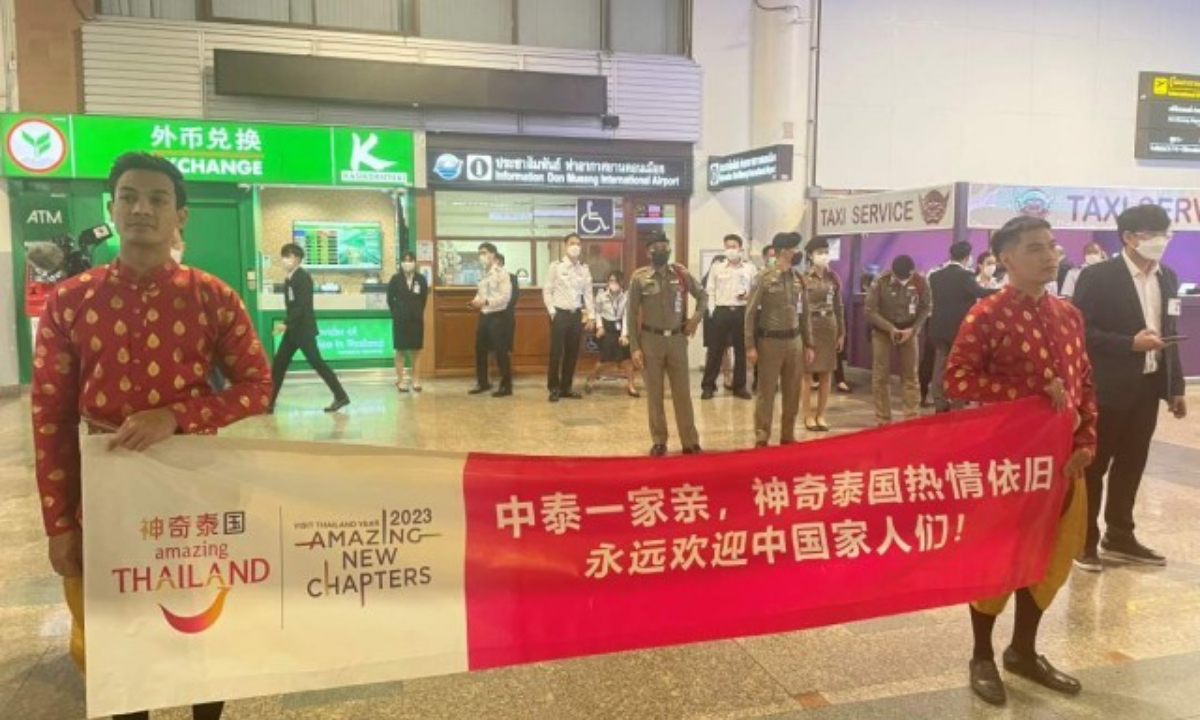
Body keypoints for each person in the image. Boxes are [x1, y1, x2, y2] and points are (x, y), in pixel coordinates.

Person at [31, 152, 273, 720]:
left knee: (203, 623)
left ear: (179, 216)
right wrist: (59, 523)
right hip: (106, 490)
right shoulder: (72, 301)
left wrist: (179, 415)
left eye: (157, 199)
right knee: (122, 631)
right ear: (112, 209)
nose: (142, 208)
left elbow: (258, 385)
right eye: (130, 197)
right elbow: (49, 415)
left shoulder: (212, 297)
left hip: (193, 491)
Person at [945, 215, 1097, 707]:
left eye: (1052, 246)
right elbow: (958, 380)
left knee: (1049, 556)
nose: (1050, 255)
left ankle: (1024, 651)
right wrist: (1029, 394)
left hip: (1064, 464)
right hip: (1007, 463)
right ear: (1007, 258)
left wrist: (1087, 438)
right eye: (1036, 248)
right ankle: (982, 655)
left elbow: (1085, 383)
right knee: (997, 558)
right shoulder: (986, 314)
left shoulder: (1069, 314)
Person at [1072, 205, 1187, 571]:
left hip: (1147, 387)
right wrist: (1128, 343)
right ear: (1129, 238)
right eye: (1152, 235)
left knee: (1132, 465)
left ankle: (1120, 535)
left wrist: (1175, 387)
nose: (1160, 242)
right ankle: (1083, 540)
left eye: (1164, 235)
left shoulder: (1167, 277)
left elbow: (1170, 334)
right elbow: (1082, 333)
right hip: (1106, 389)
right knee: (1095, 467)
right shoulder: (1099, 276)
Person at [627, 229, 707, 456]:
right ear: (648, 252)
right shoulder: (639, 278)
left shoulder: (680, 274)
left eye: (665, 246)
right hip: (650, 341)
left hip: (677, 341)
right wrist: (634, 347)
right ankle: (659, 440)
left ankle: (690, 441)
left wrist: (695, 319)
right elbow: (631, 314)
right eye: (657, 248)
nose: (662, 251)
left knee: (682, 394)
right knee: (655, 394)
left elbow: (703, 296)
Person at [744, 232, 813, 447]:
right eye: (794, 248)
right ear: (784, 251)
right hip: (770, 342)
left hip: (794, 342)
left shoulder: (798, 279)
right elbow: (750, 313)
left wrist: (809, 343)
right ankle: (762, 434)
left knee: (792, 392)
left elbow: (805, 314)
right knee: (766, 391)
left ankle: (787, 434)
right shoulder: (764, 277)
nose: (797, 252)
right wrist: (750, 346)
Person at [268, 244, 350, 413]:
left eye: (288, 256)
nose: (285, 260)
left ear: (297, 258)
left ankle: (341, 396)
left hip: (303, 330)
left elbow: (301, 306)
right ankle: (269, 402)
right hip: (293, 331)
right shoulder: (290, 277)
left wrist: (286, 323)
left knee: (317, 363)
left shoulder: (303, 277)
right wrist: (289, 324)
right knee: (279, 364)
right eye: (283, 256)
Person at [929, 241, 997, 413]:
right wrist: (1002, 291)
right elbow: (980, 293)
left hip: (938, 327)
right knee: (960, 367)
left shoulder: (935, 276)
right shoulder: (965, 276)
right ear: (968, 257)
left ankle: (939, 402)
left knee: (939, 366)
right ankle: (957, 404)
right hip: (959, 329)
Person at [865, 254, 931, 424]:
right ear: (892, 272)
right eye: (899, 278)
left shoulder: (920, 281)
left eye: (906, 277)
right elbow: (870, 310)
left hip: (909, 330)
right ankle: (883, 419)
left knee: (911, 375)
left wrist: (914, 329)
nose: (903, 281)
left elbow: (926, 307)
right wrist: (890, 328)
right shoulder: (880, 281)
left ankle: (911, 417)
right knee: (881, 376)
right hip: (883, 331)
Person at [701, 234, 757, 400]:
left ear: (740, 248)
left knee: (741, 351)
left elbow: (755, 291)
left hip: (742, 311)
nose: (730, 250)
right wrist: (712, 311)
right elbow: (710, 290)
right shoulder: (717, 267)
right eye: (727, 246)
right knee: (715, 350)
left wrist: (748, 297)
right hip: (721, 311)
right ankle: (708, 386)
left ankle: (740, 386)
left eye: (733, 246)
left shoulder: (749, 268)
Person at [542, 233, 596, 401]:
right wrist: (552, 311)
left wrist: (592, 316)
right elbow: (547, 290)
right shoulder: (556, 266)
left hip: (576, 316)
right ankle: (554, 388)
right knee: (556, 353)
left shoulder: (584, 268)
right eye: (572, 243)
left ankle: (566, 387)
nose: (575, 246)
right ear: (565, 246)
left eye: (578, 244)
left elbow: (588, 294)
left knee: (572, 353)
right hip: (560, 315)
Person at [799, 238, 844, 431]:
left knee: (827, 373)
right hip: (810, 325)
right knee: (807, 374)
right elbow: (799, 307)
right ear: (810, 255)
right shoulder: (802, 278)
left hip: (829, 326)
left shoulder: (833, 278)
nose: (823, 255)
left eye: (826, 251)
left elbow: (839, 307)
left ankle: (821, 414)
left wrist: (842, 333)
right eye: (819, 252)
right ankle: (807, 415)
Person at [469, 242, 513, 397]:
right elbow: (480, 293)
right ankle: (483, 382)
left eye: (484, 252)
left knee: (501, 352)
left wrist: (487, 302)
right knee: (480, 350)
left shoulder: (502, 273)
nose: (482, 256)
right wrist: (475, 301)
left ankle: (506, 386)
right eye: (480, 253)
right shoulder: (483, 274)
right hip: (484, 315)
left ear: (493, 255)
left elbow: (505, 298)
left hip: (498, 316)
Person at [586, 270, 639, 397]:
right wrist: (599, 327)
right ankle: (591, 378)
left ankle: (631, 385)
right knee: (606, 360)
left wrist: (624, 334)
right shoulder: (601, 296)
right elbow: (597, 312)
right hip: (606, 329)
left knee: (627, 360)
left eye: (616, 281)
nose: (613, 283)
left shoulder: (626, 296)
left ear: (621, 282)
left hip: (620, 328)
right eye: (611, 280)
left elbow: (627, 316)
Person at [386, 250, 428, 392]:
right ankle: (401, 381)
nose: (407, 263)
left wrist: (416, 312)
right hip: (400, 320)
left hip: (416, 320)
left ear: (415, 262)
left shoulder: (421, 279)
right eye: (405, 260)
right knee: (400, 351)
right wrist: (397, 312)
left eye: (410, 260)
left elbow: (423, 300)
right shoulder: (395, 279)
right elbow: (389, 299)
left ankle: (416, 380)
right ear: (401, 263)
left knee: (416, 351)